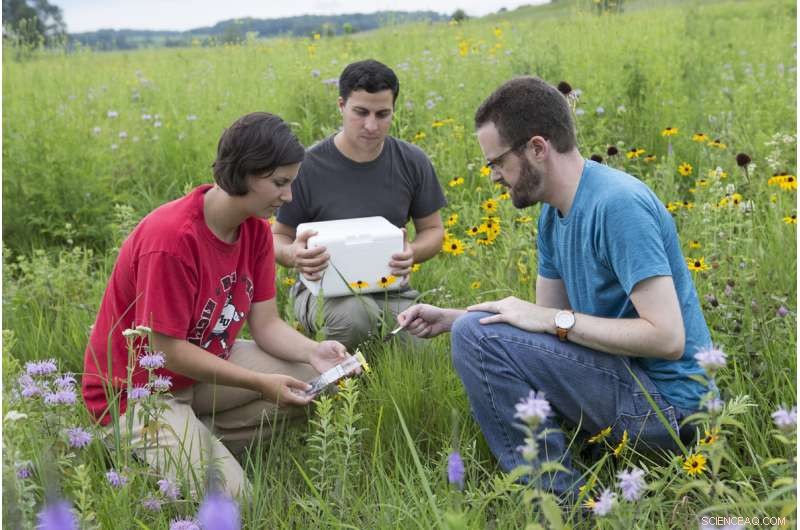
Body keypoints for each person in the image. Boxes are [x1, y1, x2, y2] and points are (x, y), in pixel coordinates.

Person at [397, 77, 711, 499]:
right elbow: (545, 339)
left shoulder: (618, 205)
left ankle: (559, 506)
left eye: (497, 163)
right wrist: (455, 319)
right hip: (625, 383)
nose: (494, 177)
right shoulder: (552, 214)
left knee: (477, 337)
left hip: (672, 409)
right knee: (472, 331)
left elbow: (667, 338)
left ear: (537, 148)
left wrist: (547, 320)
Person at [81, 112, 355, 498]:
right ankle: (133, 448)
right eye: (279, 183)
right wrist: (259, 383)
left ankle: (190, 442)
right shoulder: (172, 239)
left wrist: (315, 351)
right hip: (139, 392)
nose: (289, 197)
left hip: (200, 374)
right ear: (244, 173)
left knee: (312, 380)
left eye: (291, 183)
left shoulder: (255, 231)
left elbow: (267, 325)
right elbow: (167, 352)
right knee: (236, 499)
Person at [272, 59, 447, 350]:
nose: (371, 125)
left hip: (390, 288)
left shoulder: (412, 161)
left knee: (420, 347)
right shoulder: (307, 166)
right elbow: (278, 235)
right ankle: (333, 371)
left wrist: (412, 252)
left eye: (382, 114)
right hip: (323, 291)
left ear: (393, 110)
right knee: (355, 316)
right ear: (341, 106)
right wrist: (293, 254)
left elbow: (433, 230)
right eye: (361, 112)